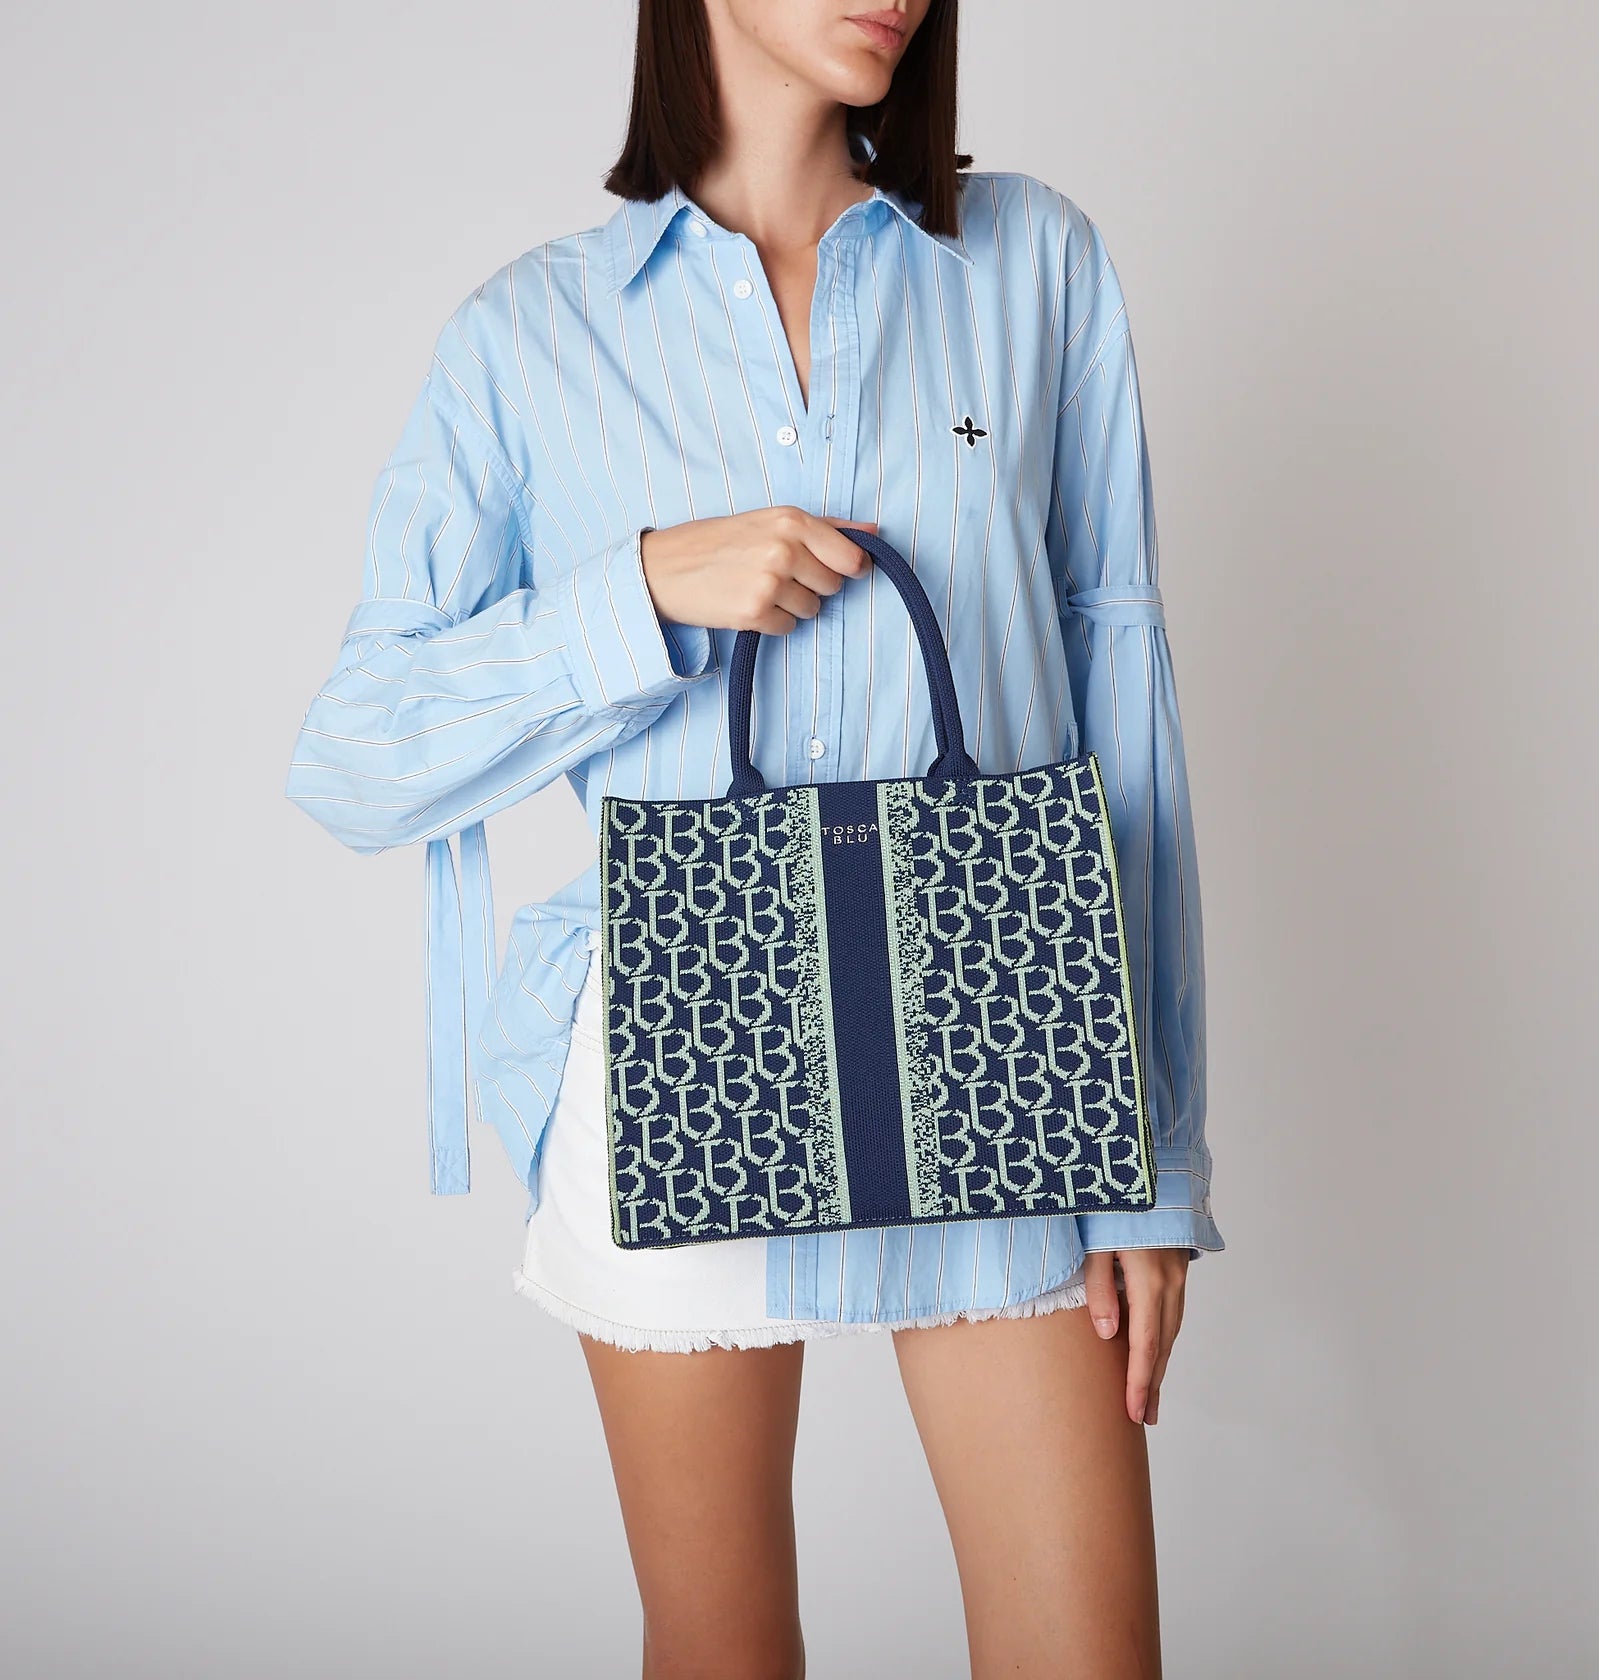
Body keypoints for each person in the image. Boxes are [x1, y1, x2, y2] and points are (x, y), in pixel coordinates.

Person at [285, 2, 1224, 1674]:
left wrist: (1151, 1158)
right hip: (679, 1056)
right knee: (722, 1651)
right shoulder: (530, 337)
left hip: (1002, 1043)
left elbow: (1122, 715)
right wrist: (640, 591)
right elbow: (358, 755)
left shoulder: (1028, 266)